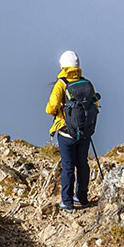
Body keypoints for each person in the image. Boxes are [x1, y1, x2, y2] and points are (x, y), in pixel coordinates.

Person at [45, 50, 97, 211]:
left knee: (68, 166)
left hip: (66, 133)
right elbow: (94, 105)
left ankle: (67, 202)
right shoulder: (87, 83)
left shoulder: (62, 84)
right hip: (85, 132)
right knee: (83, 164)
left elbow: (50, 108)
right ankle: (82, 198)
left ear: (62, 66)